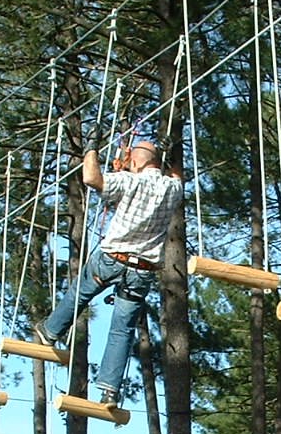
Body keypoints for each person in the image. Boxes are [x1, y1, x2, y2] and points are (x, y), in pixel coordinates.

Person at [34, 135, 183, 408]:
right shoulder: (172, 189)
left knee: (80, 294)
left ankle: (51, 331)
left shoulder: (128, 181)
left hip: (112, 259)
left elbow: (92, 178)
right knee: (122, 330)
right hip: (143, 270)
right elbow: (175, 174)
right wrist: (165, 156)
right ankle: (109, 390)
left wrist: (91, 148)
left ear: (135, 162)